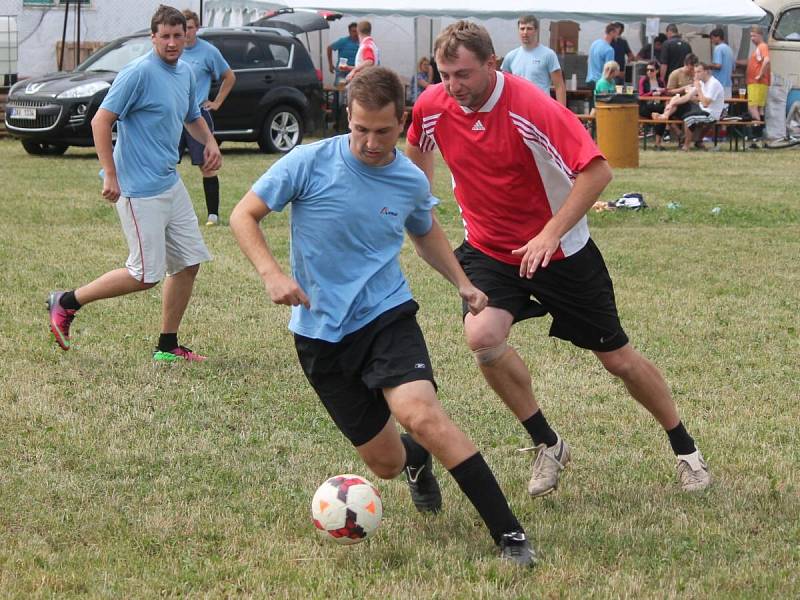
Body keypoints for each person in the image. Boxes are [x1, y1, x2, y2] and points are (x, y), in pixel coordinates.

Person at [229, 66, 535, 567]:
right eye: (360, 129)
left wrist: (462, 282)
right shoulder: (307, 162)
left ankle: (510, 536)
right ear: (346, 117)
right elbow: (245, 214)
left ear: (402, 123)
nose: (371, 142)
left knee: (423, 414)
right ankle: (415, 460)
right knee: (386, 463)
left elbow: (425, 230)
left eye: (384, 131)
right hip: (319, 332)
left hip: (386, 314)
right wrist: (271, 273)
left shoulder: (409, 179)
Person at [405, 20, 711, 496]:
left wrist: (549, 235)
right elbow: (415, 155)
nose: (452, 86)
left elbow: (597, 172)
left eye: (462, 74)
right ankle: (548, 443)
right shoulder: (432, 105)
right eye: (444, 74)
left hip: (561, 252)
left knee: (618, 359)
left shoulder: (531, 106)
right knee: (483, 338)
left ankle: (686, 448)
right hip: (489, 249)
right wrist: (413, 201)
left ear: (492, 64)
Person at [46, 5, 220, 362]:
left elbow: (191, 117)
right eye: (166, 36)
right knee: (144, 275)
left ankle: (167, 347)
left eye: (179, 34)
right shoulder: (137, 73)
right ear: (153, 37)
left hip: (170, 183)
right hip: (138, 189)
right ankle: (65, 302)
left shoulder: (185, 72)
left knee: (188, 263)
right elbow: (100, 121)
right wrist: (110, 174)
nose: (173, 42)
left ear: (187, 35)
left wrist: (211, 143)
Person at [179, 9, 235, 227]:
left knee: (207, 165)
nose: (186, 32)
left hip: (197, 115)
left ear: (197, 28)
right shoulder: (174, 50)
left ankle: (213, 215)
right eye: (183, 28)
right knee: (164, 163)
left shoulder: (208, 52)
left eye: (190, 27)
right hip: (174, 115)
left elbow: (229, 76)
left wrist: (217, 102)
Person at [655, 62, 725, 151]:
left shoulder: (713, 84)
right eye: (695, 72)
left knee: (689, 118)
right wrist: (672, 104)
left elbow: (705, 103)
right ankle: (664, 116)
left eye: (699, 72)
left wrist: (698, 88)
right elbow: (687, 97)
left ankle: (686, 146)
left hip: (711, 114)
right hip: (701, 109)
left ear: (706, 72)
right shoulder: (701, 82)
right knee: (676, 100)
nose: (696, 74)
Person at [501, 14, 566, 106]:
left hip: (541, 108)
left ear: (536, 30)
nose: (525, 32)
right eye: (522, 28)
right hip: (519, 109)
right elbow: (504, 86)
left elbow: (559, 85)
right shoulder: (510, 57)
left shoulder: (548, 55)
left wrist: (562, 113)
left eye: (529, 28)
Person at [745, 25, 771, 141]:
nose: (752, 38)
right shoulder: (758, 48)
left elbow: (767, 60)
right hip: (758, 82)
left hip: (757, 82)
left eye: (754, 36)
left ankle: (756, 133)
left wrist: (760, 74)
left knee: (752, 107)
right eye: (751, 36)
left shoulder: (762, 46)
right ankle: (759, 135)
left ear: (760, 35)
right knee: (759, 108)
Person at [638, 60, 667, 150]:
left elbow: (665, 94)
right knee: (659, 115)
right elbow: (641, 95)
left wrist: (661, 93)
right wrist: (652, 93)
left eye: (652, 70)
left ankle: (658, 142)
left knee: (662, 114)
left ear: (657, 71)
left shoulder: (661, 81)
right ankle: (658, 144)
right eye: (647, 70)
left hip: (658, 105)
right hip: (646, 107)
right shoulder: (643, 80)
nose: (649, 72)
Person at [327, 22, 359, 86]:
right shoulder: (343, 41)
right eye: (353, 31)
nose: (355, 33)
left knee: (353, 90)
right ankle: (337, 95)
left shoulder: (361, 43)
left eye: (357, 31)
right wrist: (330, 64)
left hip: (354, 72)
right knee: (341, 89)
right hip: (342, 72)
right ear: (349, 31)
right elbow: (329, 48)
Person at [586, 24, 617, 90]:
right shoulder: (609, 49)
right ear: (611, 32)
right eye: (616, 33)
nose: (617, 36)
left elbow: (588, 61)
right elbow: (609, 69)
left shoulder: (594, 43)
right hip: (601, 83)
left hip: (589, 80)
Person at [708, 28, 734, 98]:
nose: (711, 41)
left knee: (717, 106)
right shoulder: (729, 49)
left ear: (718, 37)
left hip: (719, 83)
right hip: (728, 83)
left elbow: (718, 65)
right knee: (726, 106)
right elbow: (733, 66)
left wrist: (707, 66)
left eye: (712, 38)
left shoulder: (718, 48)